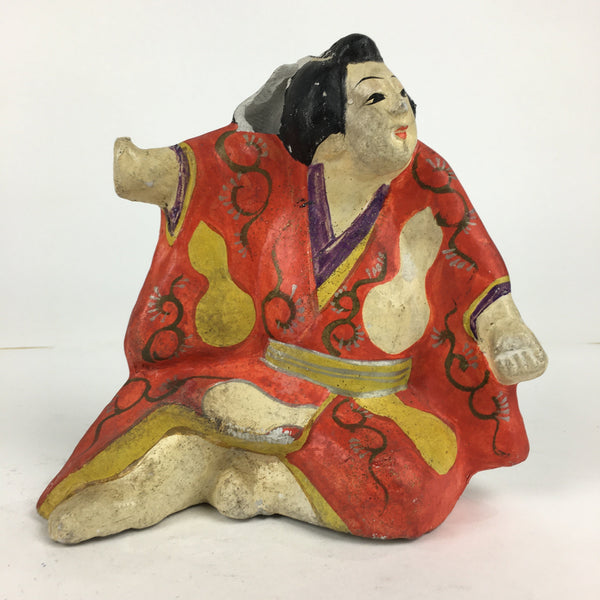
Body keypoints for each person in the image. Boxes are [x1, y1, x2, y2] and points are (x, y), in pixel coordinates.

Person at [38, 34, 547, 543]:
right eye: (375, 96)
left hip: (374, 404)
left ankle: (267, 484)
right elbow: (223, 163)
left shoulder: (430, 179)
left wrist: (507, 330)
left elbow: (474, 270)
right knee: (193, 404)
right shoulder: (279, 173)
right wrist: (159, 171)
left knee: (412, 487)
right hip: (264, 381)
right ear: (330, 136)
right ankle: (149, 486)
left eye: (401, 93)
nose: (401, 106)